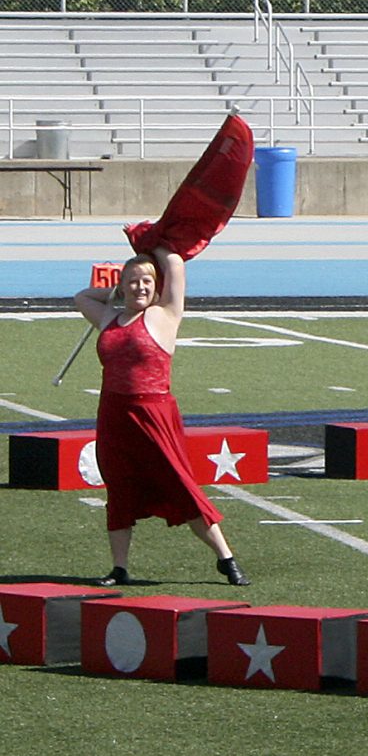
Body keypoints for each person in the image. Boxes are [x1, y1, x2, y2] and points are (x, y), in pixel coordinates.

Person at [74, 246, 250, 587]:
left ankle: (225, 558)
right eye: (133, 282)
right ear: (121, 286)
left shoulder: (164, 316)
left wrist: (153, 242)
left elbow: (175, 264)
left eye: (147, 282)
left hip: (154, 413)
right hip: (114, 413)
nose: (140, 287)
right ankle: (120, 568)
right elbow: (81, 296)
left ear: (157, 286)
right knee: (119, 486)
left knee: (181, 485)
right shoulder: (109, 318)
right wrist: (114, 293)